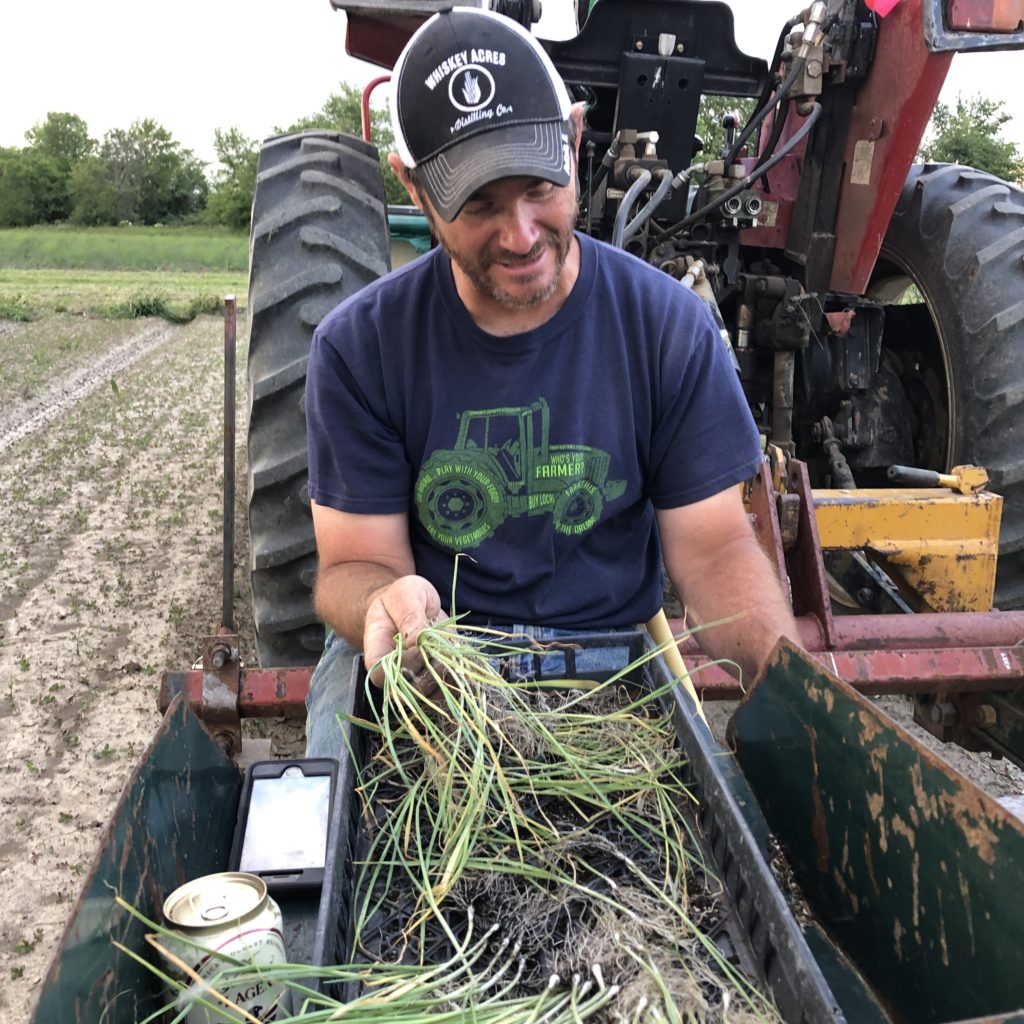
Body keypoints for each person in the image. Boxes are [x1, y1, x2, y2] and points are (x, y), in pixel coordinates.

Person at [302, 6, 798, 758]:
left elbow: (716, 549)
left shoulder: (665, 327)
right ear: (413, 188)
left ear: (572, 140)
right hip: (438, 670)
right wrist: (384, 600)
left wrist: (788, 685)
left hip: (604, 664)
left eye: (539, 187)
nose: (522, 235)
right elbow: (350, 563)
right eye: (479, 205)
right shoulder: (360, 347)